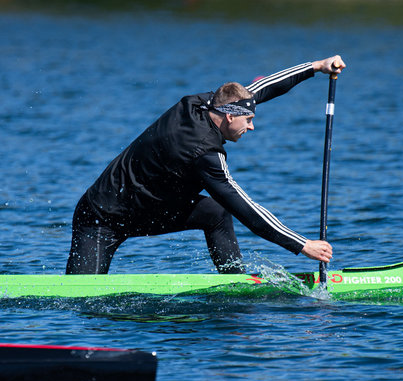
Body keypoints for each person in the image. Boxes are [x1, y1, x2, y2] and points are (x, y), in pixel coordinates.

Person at [66, 55, 344, 275]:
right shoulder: (204, 153)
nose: (252, 126)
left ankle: (234, 283)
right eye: (247, 120)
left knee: (216, 213)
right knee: (81, 303)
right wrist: (302, 244)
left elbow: (261, 88)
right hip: (101, 217)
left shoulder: (205, 103)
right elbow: (246, 208)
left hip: (143, 209)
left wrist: (317, 66)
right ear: (228, 116)